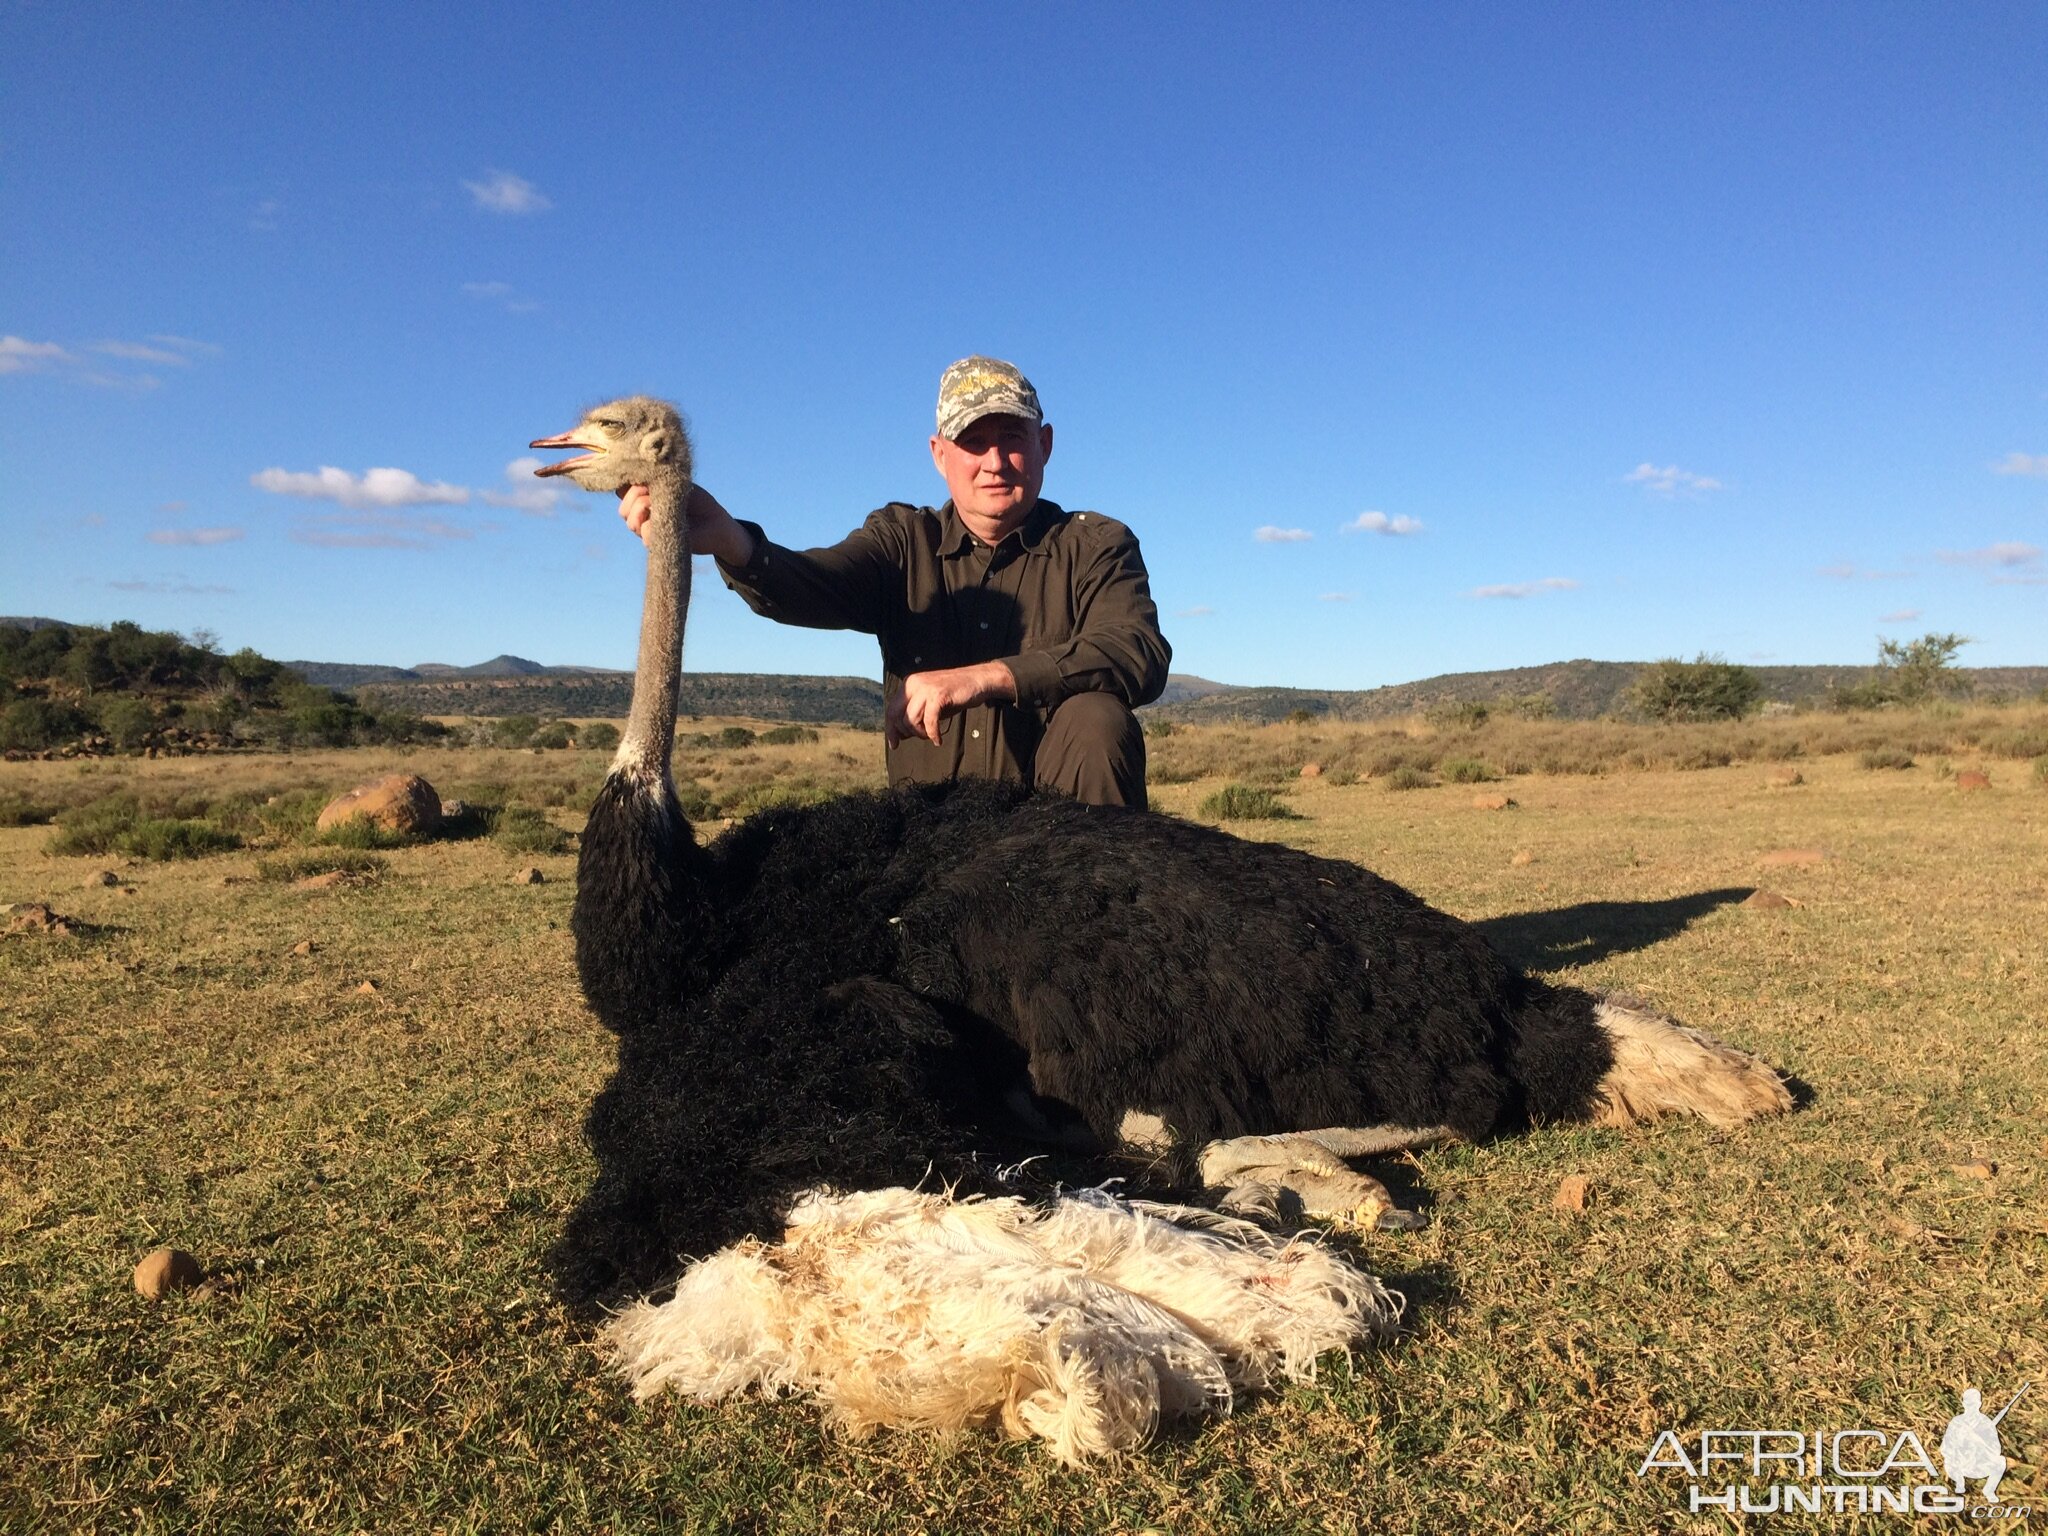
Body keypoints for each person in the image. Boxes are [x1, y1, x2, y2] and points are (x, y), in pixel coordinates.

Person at [617, 357, 1171, 808]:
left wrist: (986, 678)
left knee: (1097, 718)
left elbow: (1135, 650)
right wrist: (731, 539)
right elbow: (818, 582)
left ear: (1045, 443)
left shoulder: (1096, 544)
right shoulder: (904, 541)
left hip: (1061, 842)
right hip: (935, 846)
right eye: (973, 442)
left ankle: (1103, 931)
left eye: (1012, 437)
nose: (996, 461)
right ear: (939, 455)